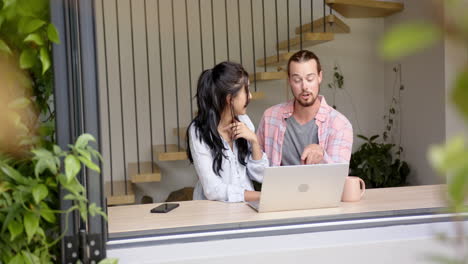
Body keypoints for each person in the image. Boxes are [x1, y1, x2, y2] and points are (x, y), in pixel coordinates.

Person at [186, 61, 269, 202]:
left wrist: (254, 141)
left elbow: (261, 176)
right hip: (213, 213)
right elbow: (212, 190)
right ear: (230, 99)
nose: (250, 96)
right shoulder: (199, 132)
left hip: (246, 208)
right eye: (246, 90)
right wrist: (261, 196)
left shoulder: (244, 121)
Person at [257, 50, 353, 166]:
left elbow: (338, 176)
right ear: (289, 81)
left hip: (321, 185)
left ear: (319, 77)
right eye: (297, 80)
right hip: (279, 185)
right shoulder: (270, 117)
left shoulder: (339, 124)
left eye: (310, 79)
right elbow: (256, 167)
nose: (304, 87)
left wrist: (322, 156)